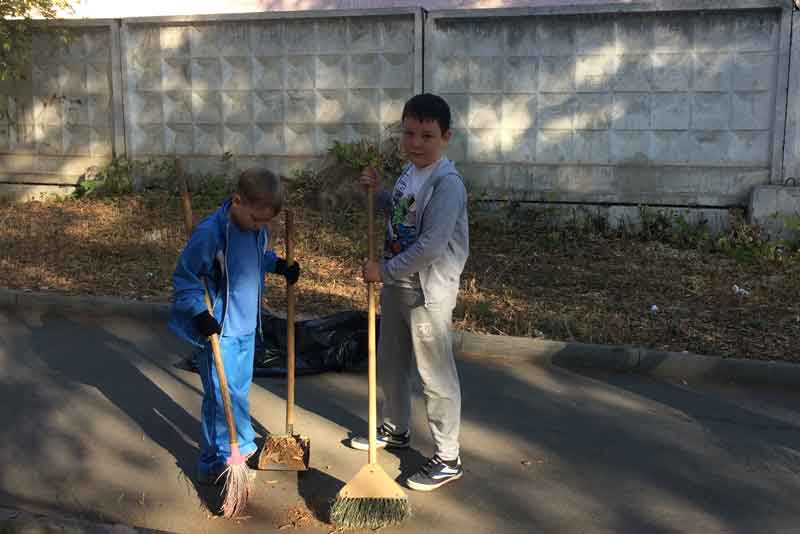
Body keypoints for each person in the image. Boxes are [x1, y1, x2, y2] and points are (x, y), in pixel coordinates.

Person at [350, 93, 469, 492]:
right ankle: (396, 428)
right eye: (409, 133)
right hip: (397, 284)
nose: (416, 143)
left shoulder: (446, 184)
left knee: (434, 374)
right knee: (392, 361)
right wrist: (380, 192)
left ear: (446, 137)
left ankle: (448, 456)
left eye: (427, 136)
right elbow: (402, 214)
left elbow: (432, 246)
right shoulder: (410, 172)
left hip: (426, 292)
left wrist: (382, 271)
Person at [169, 168, 300, 484]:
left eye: (265, 222)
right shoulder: (210, 234)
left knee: (237, 392)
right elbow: (185, 279)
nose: (260, 226)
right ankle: (221, 460)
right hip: (219, 331)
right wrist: (199, 313)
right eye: (256, 219)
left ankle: (229, 452)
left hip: (245, 328)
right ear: (238, 201)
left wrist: (278, 265)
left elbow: (257, 256)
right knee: (220, 397)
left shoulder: (256, 229)